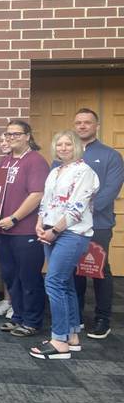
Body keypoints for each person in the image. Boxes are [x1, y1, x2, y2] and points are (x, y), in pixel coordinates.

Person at [31, 130, 99, 359]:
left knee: (53, 282)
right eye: (59, 144)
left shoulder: (85, 172)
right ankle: (71, 336)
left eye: (67, 144)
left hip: (71, 234)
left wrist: (55, 230)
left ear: (77, 146)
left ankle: (59, 341)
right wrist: (40, 224)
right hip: (50, 230)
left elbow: (77, 207)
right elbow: (46, 202)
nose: (63, 148)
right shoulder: (55, 171)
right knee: (65, 284)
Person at [72, 108, 124, 339]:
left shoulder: (110, 155)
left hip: (98, 224)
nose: (82, 126)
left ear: (96, 126)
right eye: (78, 123)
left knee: (99, 269)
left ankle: (103, 318)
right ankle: (77, 315)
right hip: (70, 225)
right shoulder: (67, 152)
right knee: (74, 269)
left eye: (87, 122)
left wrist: (79, 213)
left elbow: (108, 192)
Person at [0, 120, 50, 337]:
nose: (11, 138)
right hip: (2, 230)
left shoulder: (35, 161)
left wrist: (14, 218)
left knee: (29, 277)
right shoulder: (4, 162)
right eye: (8, 134)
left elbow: (37, 194)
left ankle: (32, 321)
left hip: (25, 230)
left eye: (16, 134)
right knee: (10, 276)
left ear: (28, 136)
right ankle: (17, 316)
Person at [0, 133, 15, 318]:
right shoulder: (1, 164)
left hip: (19, 224)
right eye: (2, 140)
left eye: (8, 140)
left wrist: (15, 217)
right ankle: (8, 300)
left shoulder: (31, 161)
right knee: (6, 266)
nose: (4, 143)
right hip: (0, 223)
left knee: (20, 267)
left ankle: (18, 303)